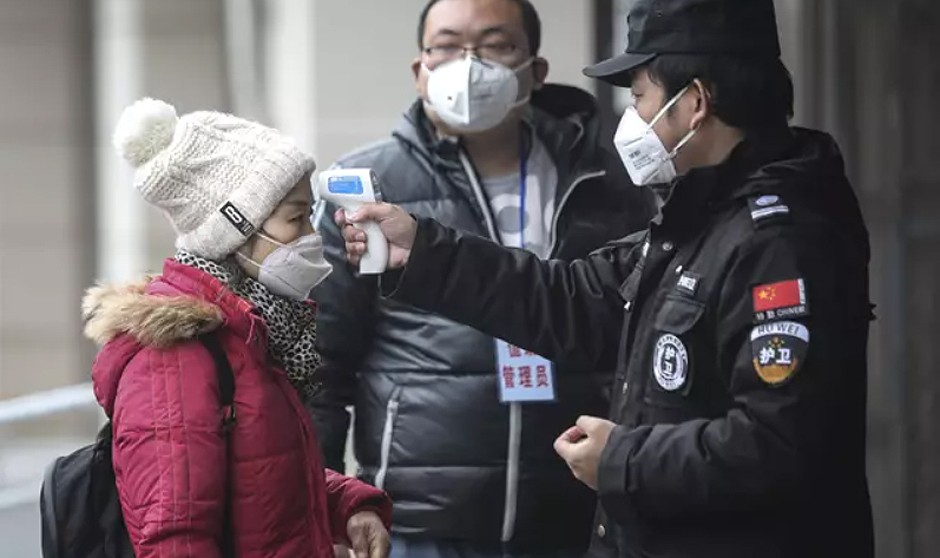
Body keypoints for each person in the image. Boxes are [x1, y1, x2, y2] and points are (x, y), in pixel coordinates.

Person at [331, 0, 875, 556]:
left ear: (693, 102)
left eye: (638, 96)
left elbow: (779, 444)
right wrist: (421, 251)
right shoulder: (698, 219)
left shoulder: (777, 242)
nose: (630, 117)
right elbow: (575, 300)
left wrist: (620, 459)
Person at [310, 0, 655, 556]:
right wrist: (321, 507)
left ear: (535, 71)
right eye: (446, 46)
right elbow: (321, 366)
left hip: (581, 508)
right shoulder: (366, 189)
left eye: (496, 46)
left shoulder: (609, 177)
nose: (468, 65)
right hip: (421, 520)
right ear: (419, 70)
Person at [83, 98, 392, 558]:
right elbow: (175, 538)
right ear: (234, 232)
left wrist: (347, 507)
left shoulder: (249, 335)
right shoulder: (175, 357)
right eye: (295, 218)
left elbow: (262, 478)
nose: (312, 234)